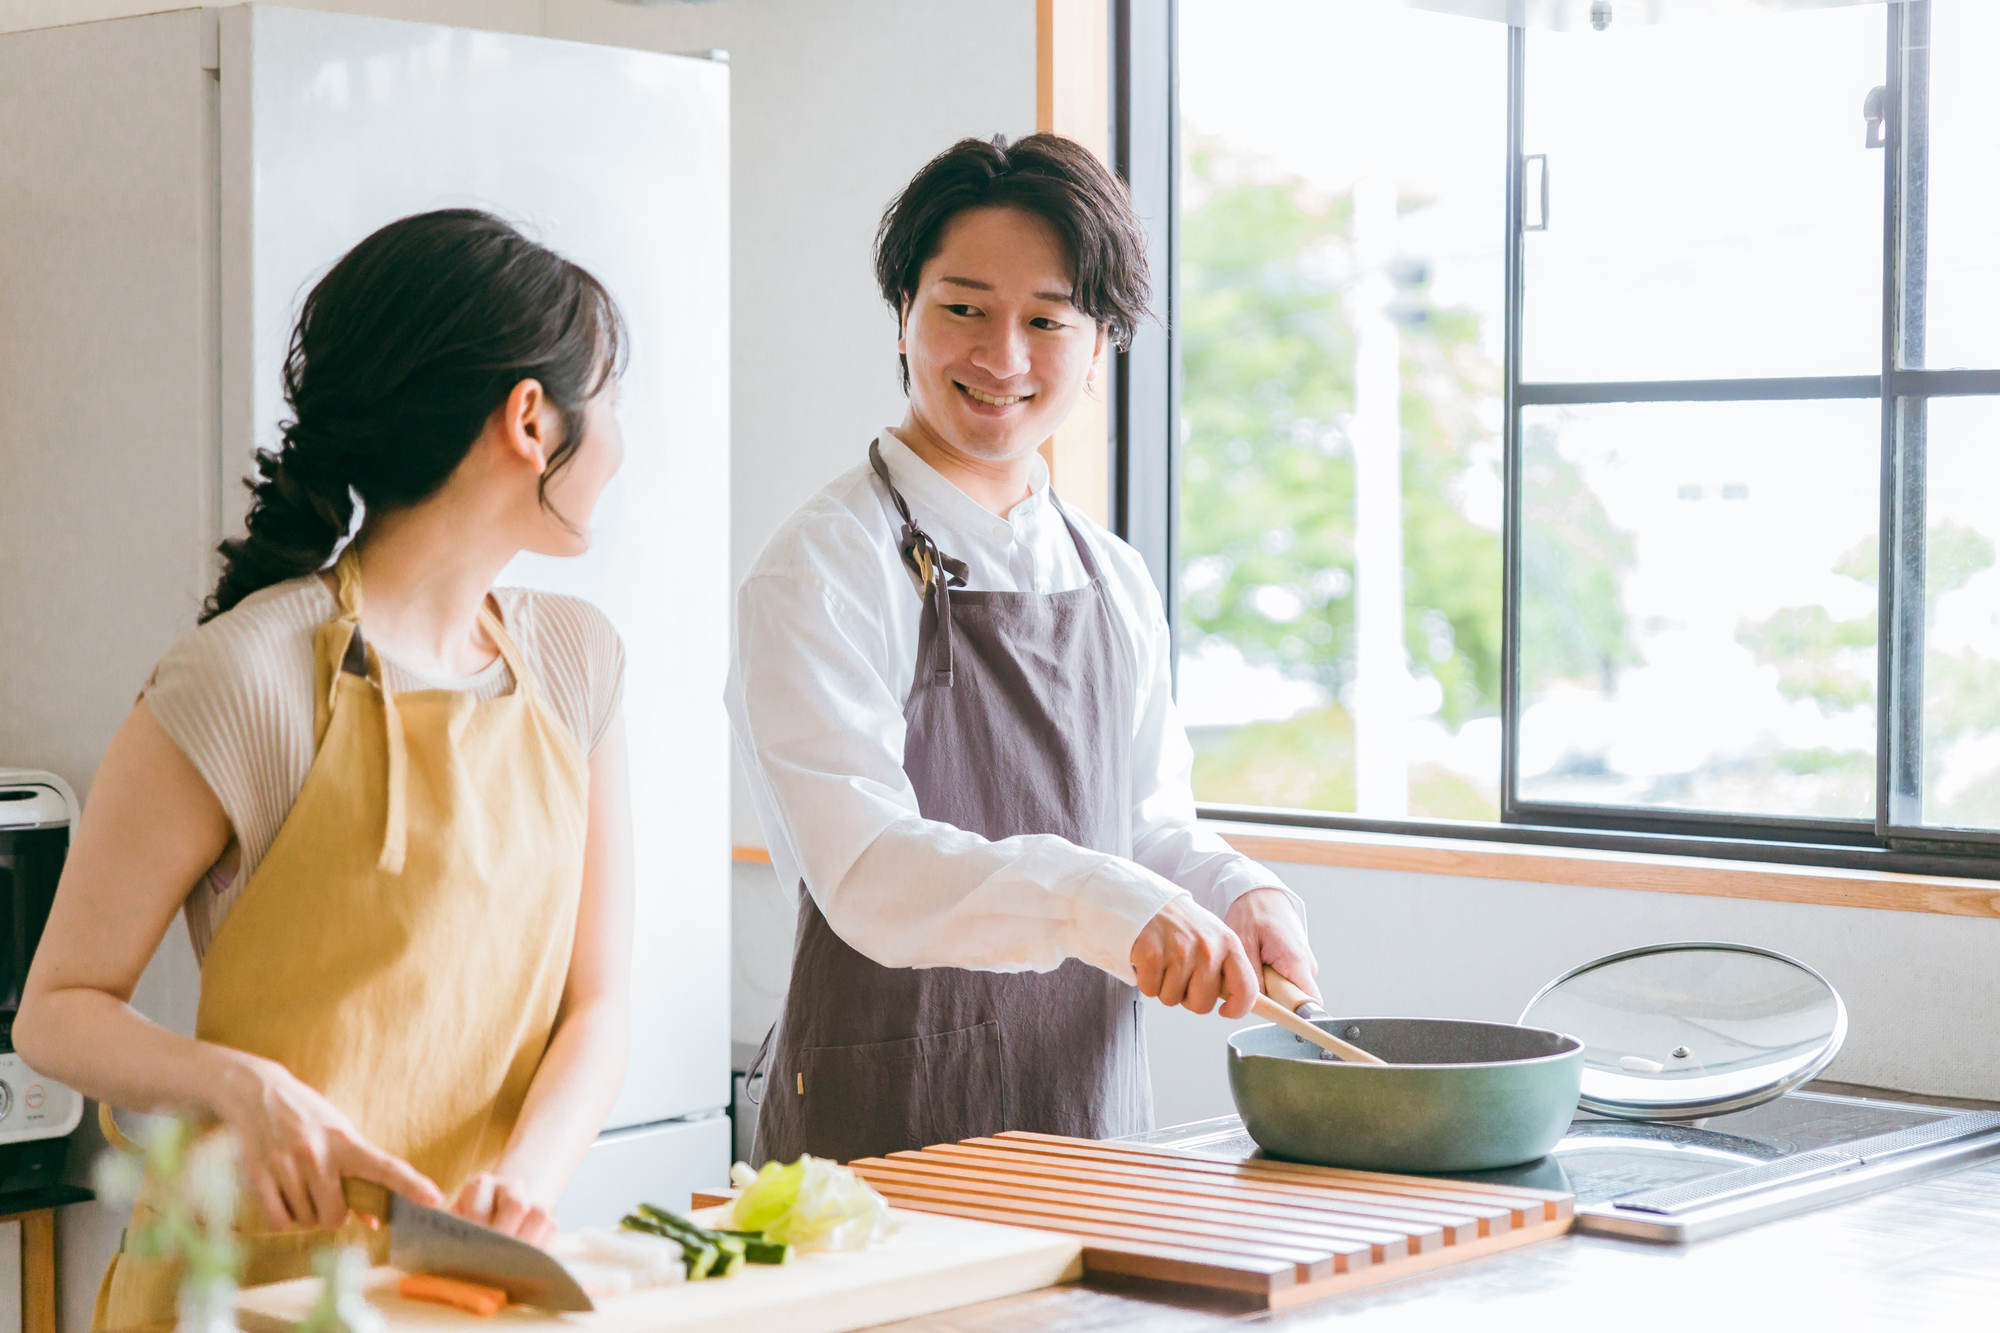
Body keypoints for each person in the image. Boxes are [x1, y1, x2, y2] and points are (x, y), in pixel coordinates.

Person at [17, 210, 635, 1332]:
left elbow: (596, 1006)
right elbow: (54, 1012)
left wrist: (522, 1193)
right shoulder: (242, 678)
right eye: (612, 397)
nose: (623, 439)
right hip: (236, 1293)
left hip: (458, 1292)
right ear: (532, 420)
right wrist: (235, 1085)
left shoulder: (576, 662)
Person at [728, 134, 1317, 1166]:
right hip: (882, 1146)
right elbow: (866, 868)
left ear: (1098, 349)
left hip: (1087, 1124)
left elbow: (1142, 822)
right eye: (962, 308)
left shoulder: (1112, 578)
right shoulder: (820, 569)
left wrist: (1234, 891)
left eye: (1046, 321)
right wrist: (1101, 903)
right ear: (902, 315)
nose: (1001, 358)